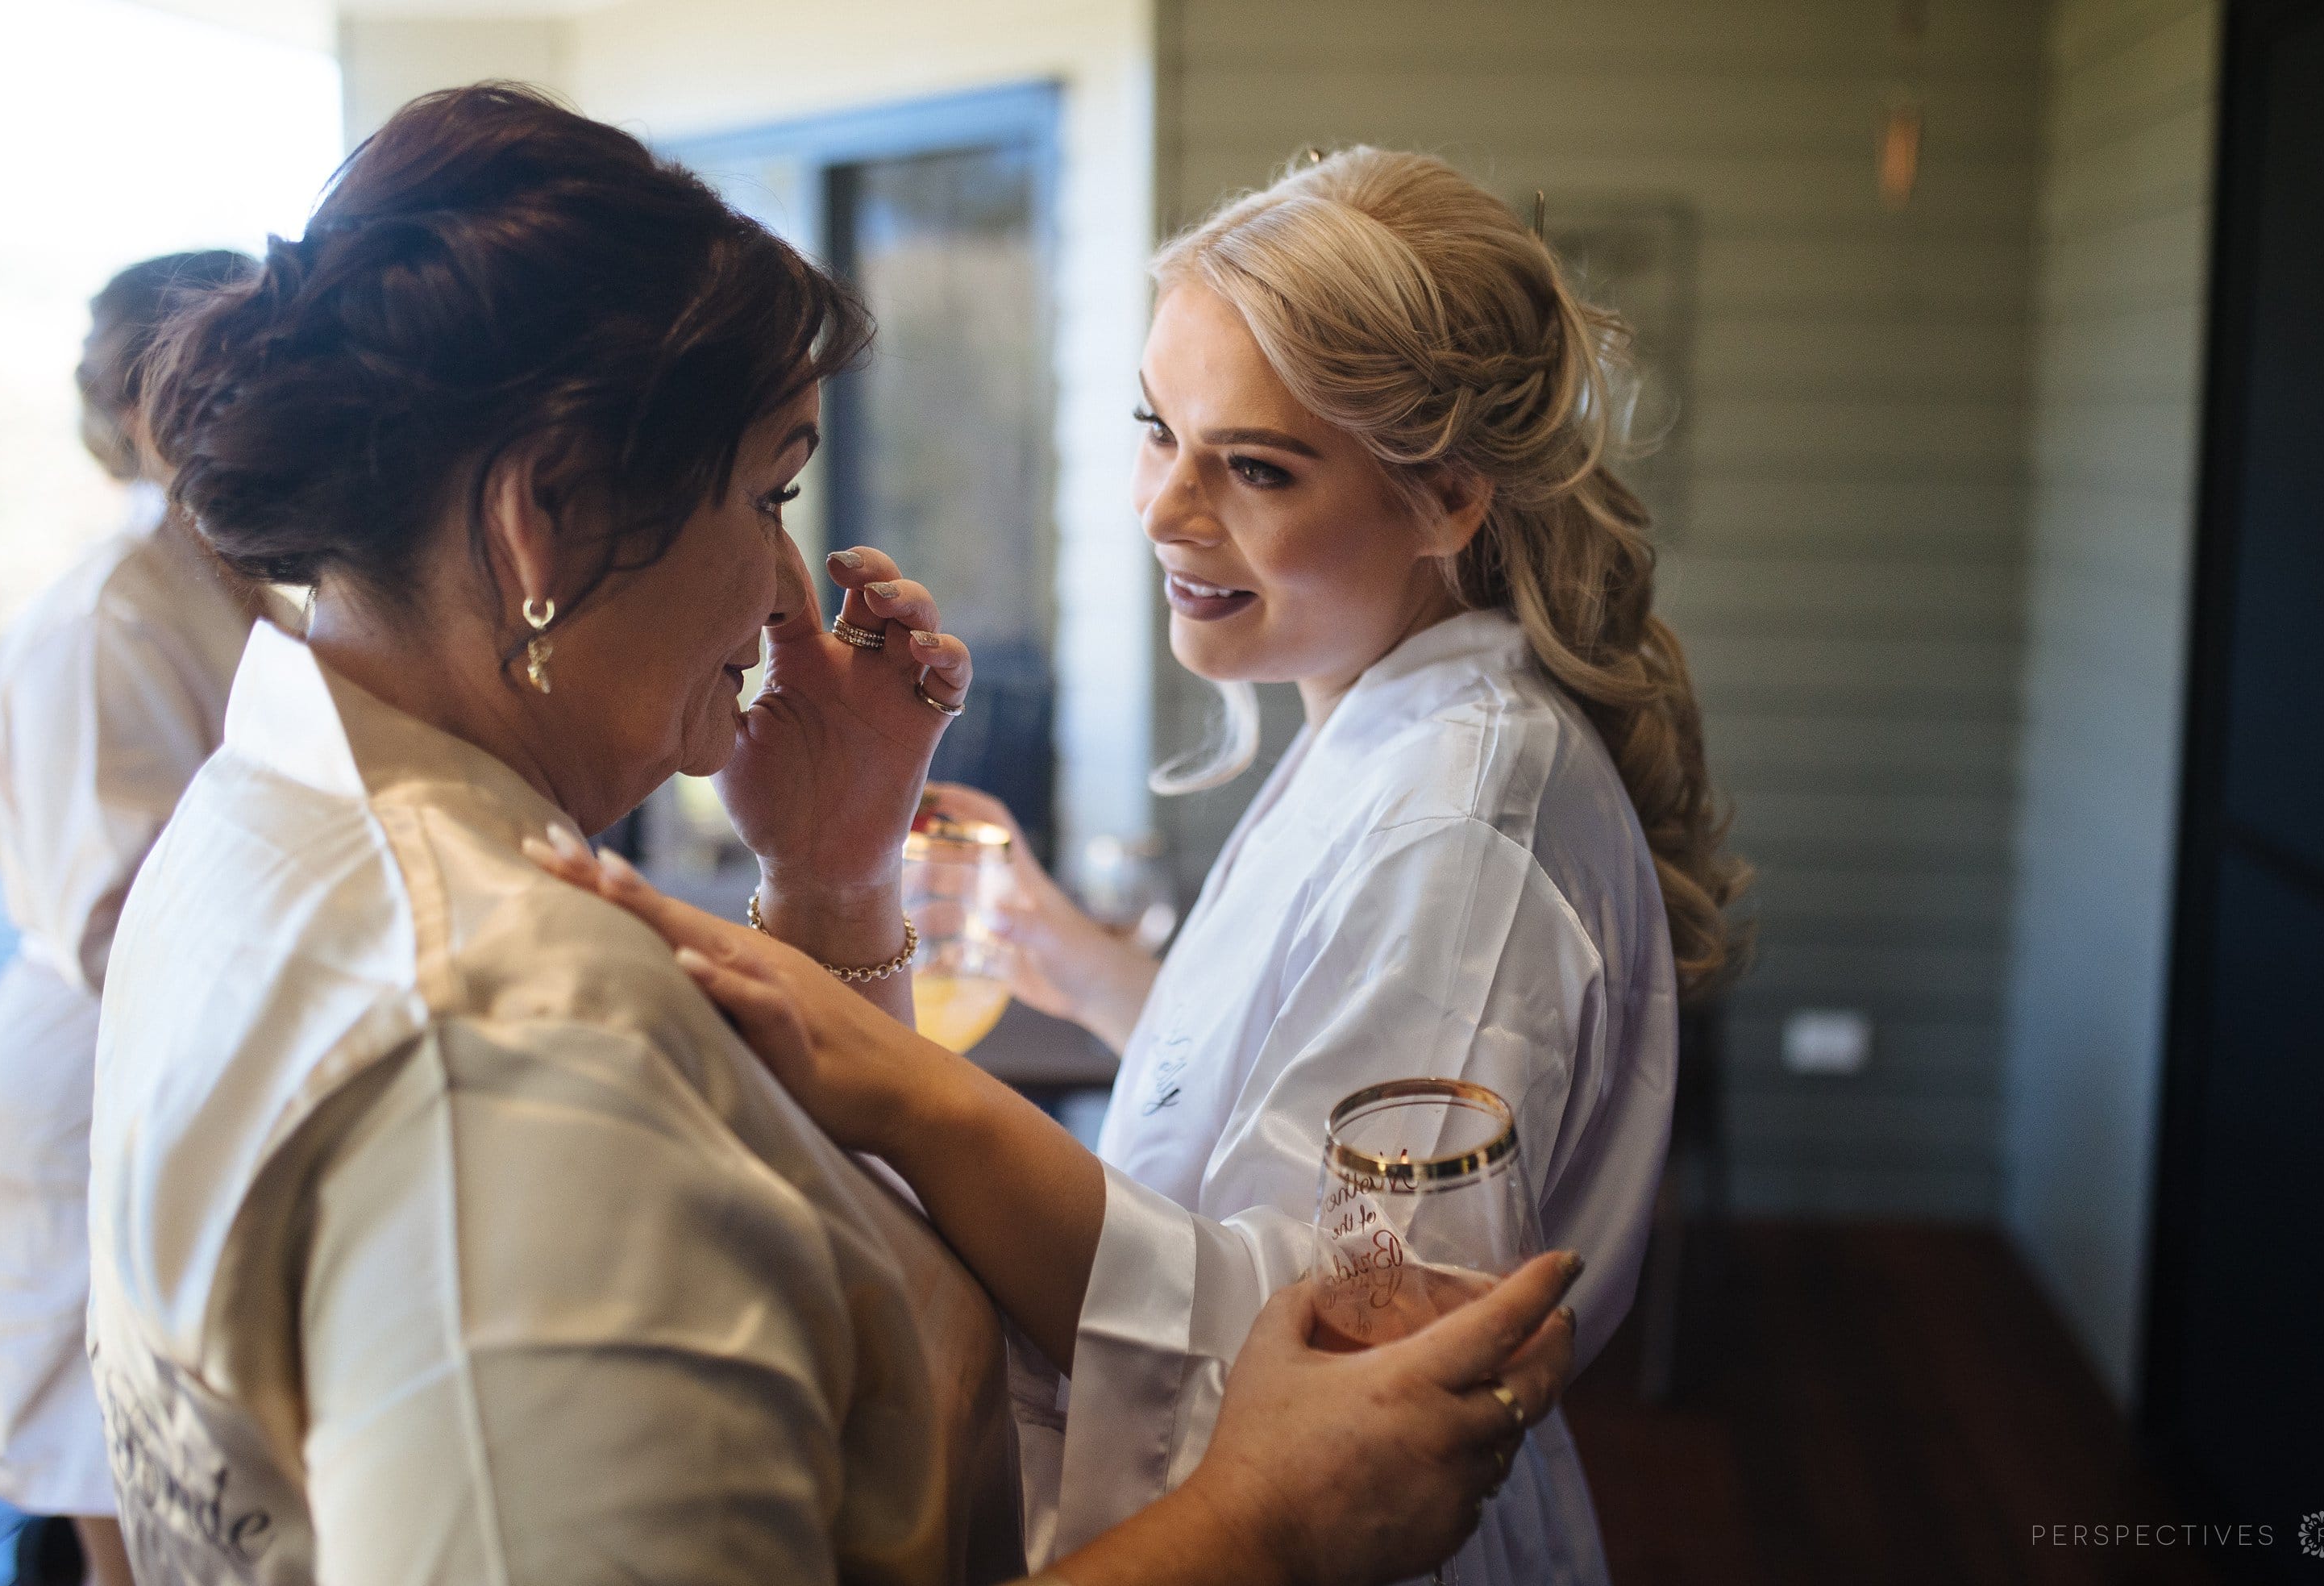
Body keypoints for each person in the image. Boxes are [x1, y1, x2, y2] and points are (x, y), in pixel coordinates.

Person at [85, 86, 1574, 1586]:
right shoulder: (516, 1056)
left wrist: (831, 876)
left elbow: (762, 1215)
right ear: (542, 517)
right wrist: (1258, 1528)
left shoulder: (263, 812)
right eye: (765, 493)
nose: (788, 591)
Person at [550, 148, 1748, 1584]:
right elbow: (1278, 1110)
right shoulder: (1385, 728)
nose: (1164, 509)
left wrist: (916, 1092)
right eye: (1154, 428)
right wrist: (1002, 932)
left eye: (1254, 465)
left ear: (1445, 501)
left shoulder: (1461, 810)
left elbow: (1341, 1353)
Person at [0, 248, 274, 1586]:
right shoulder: (110, 612)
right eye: (194, 382)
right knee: (120, 1480)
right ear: (125, 414)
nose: (234, 401)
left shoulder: (249, 574)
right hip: (102, 1070)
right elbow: (115, 915)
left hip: (194, 1057)